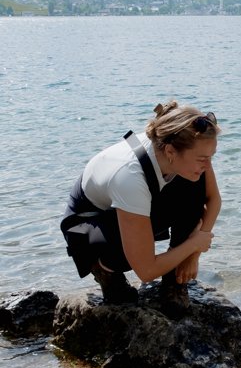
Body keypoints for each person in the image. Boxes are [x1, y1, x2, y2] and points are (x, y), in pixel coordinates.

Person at [61, 100, 221, 317]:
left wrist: (192, 256)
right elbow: (146, 271)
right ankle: (104, 268)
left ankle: (175, 281)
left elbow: (213, 200)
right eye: (203, 159)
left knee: (194, 189)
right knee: (124, 279)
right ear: (171, 152)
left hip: (132, 203)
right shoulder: (129, 177)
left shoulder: (180, 150)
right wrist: (194, 243)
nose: (208, 164)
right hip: (90, 222)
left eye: (211, 157)